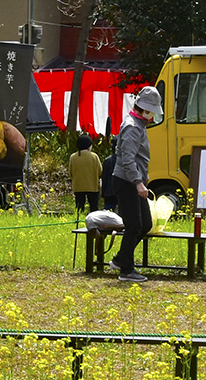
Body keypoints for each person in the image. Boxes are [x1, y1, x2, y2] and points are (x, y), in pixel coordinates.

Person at [111, 86, 164, 283]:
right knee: (134, 225)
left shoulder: (138, 125)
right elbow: (128, 158)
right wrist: (138, 183)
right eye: (152, 111)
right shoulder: (133, 127)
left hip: (133, 180)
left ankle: (121, 259)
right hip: (127, 181)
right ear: (145, 109)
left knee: (145, 224)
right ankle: (126, 270)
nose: (153, 116)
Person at [68, 134, 103, 213]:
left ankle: (79, 222)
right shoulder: (94, 156)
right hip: (92, 186)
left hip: (78, 186)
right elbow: (100, 171)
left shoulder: (73, 157)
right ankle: (94, 223)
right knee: (94, 207)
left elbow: (70, 173)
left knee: (79, 207)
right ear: (89, 146)